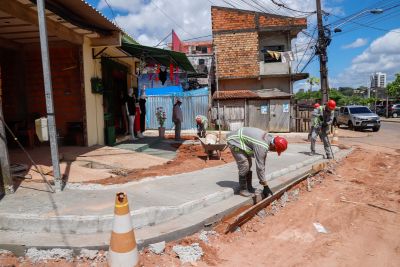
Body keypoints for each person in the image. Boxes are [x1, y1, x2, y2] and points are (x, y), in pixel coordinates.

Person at [227, 127, 288, 197]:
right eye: (275, 150)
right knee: (244, 165)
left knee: (248, 164)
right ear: (273, 146)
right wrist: (265, 186)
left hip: (241, 139)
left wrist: (263, 182)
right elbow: (260, 166)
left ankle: (249, 187)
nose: (274, 151)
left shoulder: (269, 138)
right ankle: (243, 189)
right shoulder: (262, 146)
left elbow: (261, 164)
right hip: (234, 140)